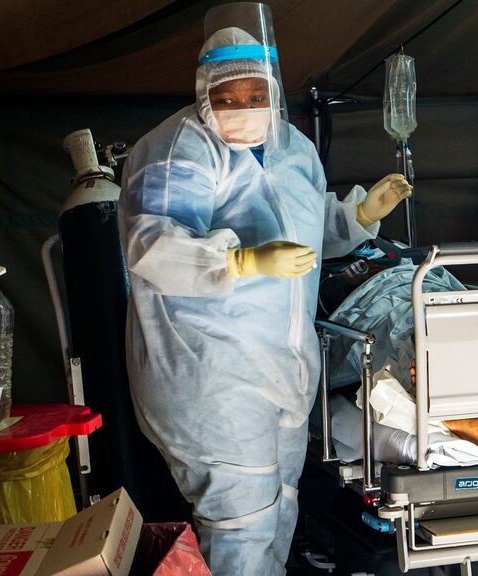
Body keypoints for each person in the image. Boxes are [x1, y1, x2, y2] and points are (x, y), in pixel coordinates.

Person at [118, 5, 411, 575]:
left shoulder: (292, 149)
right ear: (205, 94)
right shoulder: (178, 149)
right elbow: (152, 247)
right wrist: (242, 259)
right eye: (229, 98)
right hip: (210, 374)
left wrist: (356, 216)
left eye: (257, 95)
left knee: (280, 510)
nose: (245, 108)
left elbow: (303, 229)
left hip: (282, 369)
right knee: (240, 525)